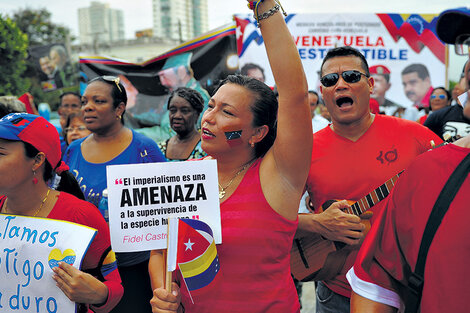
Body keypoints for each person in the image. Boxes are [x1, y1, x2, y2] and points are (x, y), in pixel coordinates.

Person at [149, 0, 311, 312]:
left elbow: (294, 96)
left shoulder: (280, 176)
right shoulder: (182, 176)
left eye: (227, 112)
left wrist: (264, 6)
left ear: (257, 133)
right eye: (211, 106)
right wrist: (163, 293)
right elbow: (158, 250)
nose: (208, 118)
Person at [296, 46, 442, 313]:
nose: (340, 85)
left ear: (370, 84)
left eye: (351, 76)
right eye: (330, 80)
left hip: (407, 291)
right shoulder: (305, 151)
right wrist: (317, 223)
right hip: (336, 295)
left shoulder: (418, 137)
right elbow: (273, 218)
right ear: (323, 91)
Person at [348, 8, 470, 312]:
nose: (341, 86)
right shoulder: (431, 171)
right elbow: (375, 290)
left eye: (352, 77)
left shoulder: (412, 131)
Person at [63, 75, 167, 313]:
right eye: (85, 101)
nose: (87, 107)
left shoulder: (144, 148)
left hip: (134, 269)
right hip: (86, 268)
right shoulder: (73, 150)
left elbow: (166, 210)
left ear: (119, 108)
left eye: (98, 101)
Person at [0, 112, 123, 312]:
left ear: (36, 161)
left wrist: (99, 294)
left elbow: (113, 286)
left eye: (0, 153)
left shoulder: (82, 216)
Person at [157, 87, 206, 161]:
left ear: (197, 115)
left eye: (184, 111)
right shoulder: (159, 149)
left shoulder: (207, 149)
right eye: (173, 110)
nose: (177, 116)